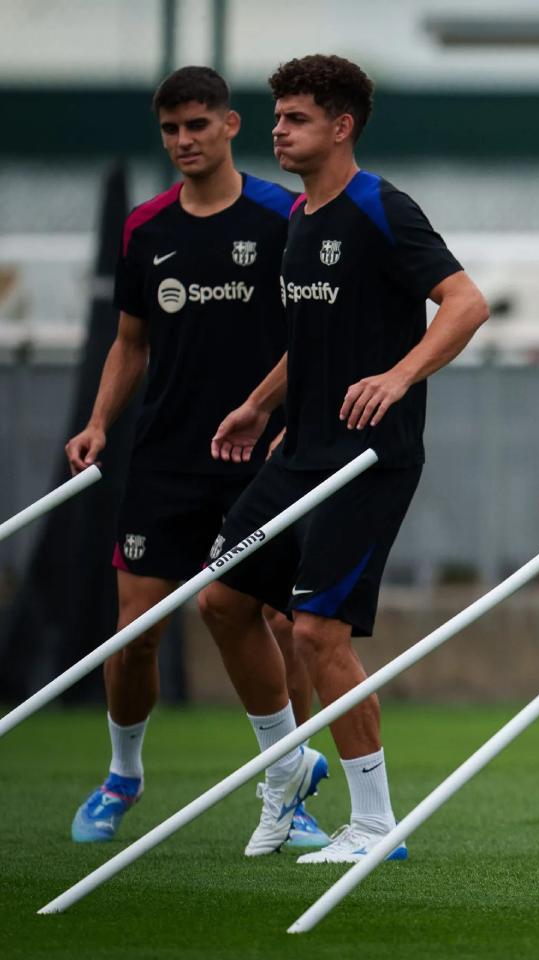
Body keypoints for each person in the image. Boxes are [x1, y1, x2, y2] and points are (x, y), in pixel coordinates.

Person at [197, 54, 489, 864]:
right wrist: (261, 403)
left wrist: (399, 377)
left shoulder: (381, 208)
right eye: (278, 117)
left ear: (341, 125)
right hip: (300, 452)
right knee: (220, 601)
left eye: (294, 118)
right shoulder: (299, 217)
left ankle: (373, 826)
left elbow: (467, 304)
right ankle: (288, 769)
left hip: (369, 459)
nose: (277, 132)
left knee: (318, 631)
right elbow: (310, 340)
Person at [62, 65, 327, 850]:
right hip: (166, 460)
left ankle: (289, 786)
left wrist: (277, 415)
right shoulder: (146, 228)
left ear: (230, 126)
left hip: (259, 460)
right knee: (133, 632)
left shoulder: (284, 215)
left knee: (282, 623)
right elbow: (131, 342)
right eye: (171, 130)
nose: (184, 141)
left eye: (197, 126)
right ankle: (123, 775)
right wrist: (99, 422)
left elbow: (314, 337)